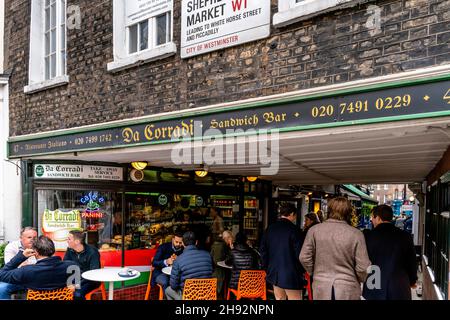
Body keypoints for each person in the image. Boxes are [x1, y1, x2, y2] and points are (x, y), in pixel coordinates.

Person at [300, 197, 371, 300]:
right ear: (348, 212)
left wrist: (315, 272)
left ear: (329, 210)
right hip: (348, 287)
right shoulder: (356, 234)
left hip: (321, 285)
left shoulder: (314, 230)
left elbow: (303, 257)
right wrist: (357, 278)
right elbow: (364, 266)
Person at [362, 205, 417, 300]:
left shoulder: (368, 236)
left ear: (378, 218)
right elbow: (411, 261)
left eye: (373, 218)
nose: (372, 220)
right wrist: (412, 280)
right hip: (398, 285)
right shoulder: (405, 236)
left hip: (374, 282)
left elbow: (362, 261)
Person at [259, 204, 305, 300]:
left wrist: (267, 268)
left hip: (274, 274)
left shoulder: (270, 229)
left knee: (279, 298)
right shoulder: (295, 230)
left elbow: (263, 251)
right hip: (291, 275)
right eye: (295, 215)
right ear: (292, 214)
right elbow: (300, 254)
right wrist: (301, 271)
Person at [0, 236, 76, 292]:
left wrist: (21, 256)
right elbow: (79, 282)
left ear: (35, 252)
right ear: (53, 249)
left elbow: (2, 274)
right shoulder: (71, 266)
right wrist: (74, 285)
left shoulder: (27, 271)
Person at [165, 231, 213, 300]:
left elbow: (173, 286)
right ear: (196, 242)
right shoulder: (208, 255)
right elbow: (212, 271)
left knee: (168, 290)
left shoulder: (178, 260)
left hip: (189, 296)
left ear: (183, 243)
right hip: (207, 295)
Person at [0, 227, 37, 300]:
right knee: (1, 288)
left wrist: (22, 265)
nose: (33, 240)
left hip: (34, 279)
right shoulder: (11, 247)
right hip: (16, 280)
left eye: (35, 238)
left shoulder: (40, 246)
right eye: (29, 237)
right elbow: (10, 267)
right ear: (21, 238)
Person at [64, 230, 101, 300]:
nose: (67, 240)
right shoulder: (70, 250)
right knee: (59, 289)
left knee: (77, 294)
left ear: (77, 242)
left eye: (69, 239)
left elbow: (93, 274)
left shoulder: (92, 252)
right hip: (75, 278)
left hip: (91, 280)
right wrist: (68, 282)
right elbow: (65, 266)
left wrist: (76, 285)